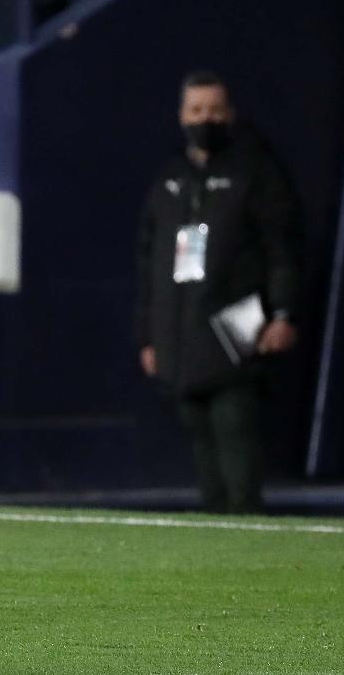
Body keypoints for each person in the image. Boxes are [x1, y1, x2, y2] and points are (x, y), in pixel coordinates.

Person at [135, 71, 300, 514]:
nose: (204, 118)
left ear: (230, 115)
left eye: (213, 110)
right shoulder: (171, 180)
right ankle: (216, 525)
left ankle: (246, 521)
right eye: (196, 110)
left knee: (234, 422)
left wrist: (283, 313)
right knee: (195, 424)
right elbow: (149, 261)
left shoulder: (256, 172)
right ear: (181, 116)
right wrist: (148, 335)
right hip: (180, 336)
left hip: (236, 327)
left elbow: (281, 248)